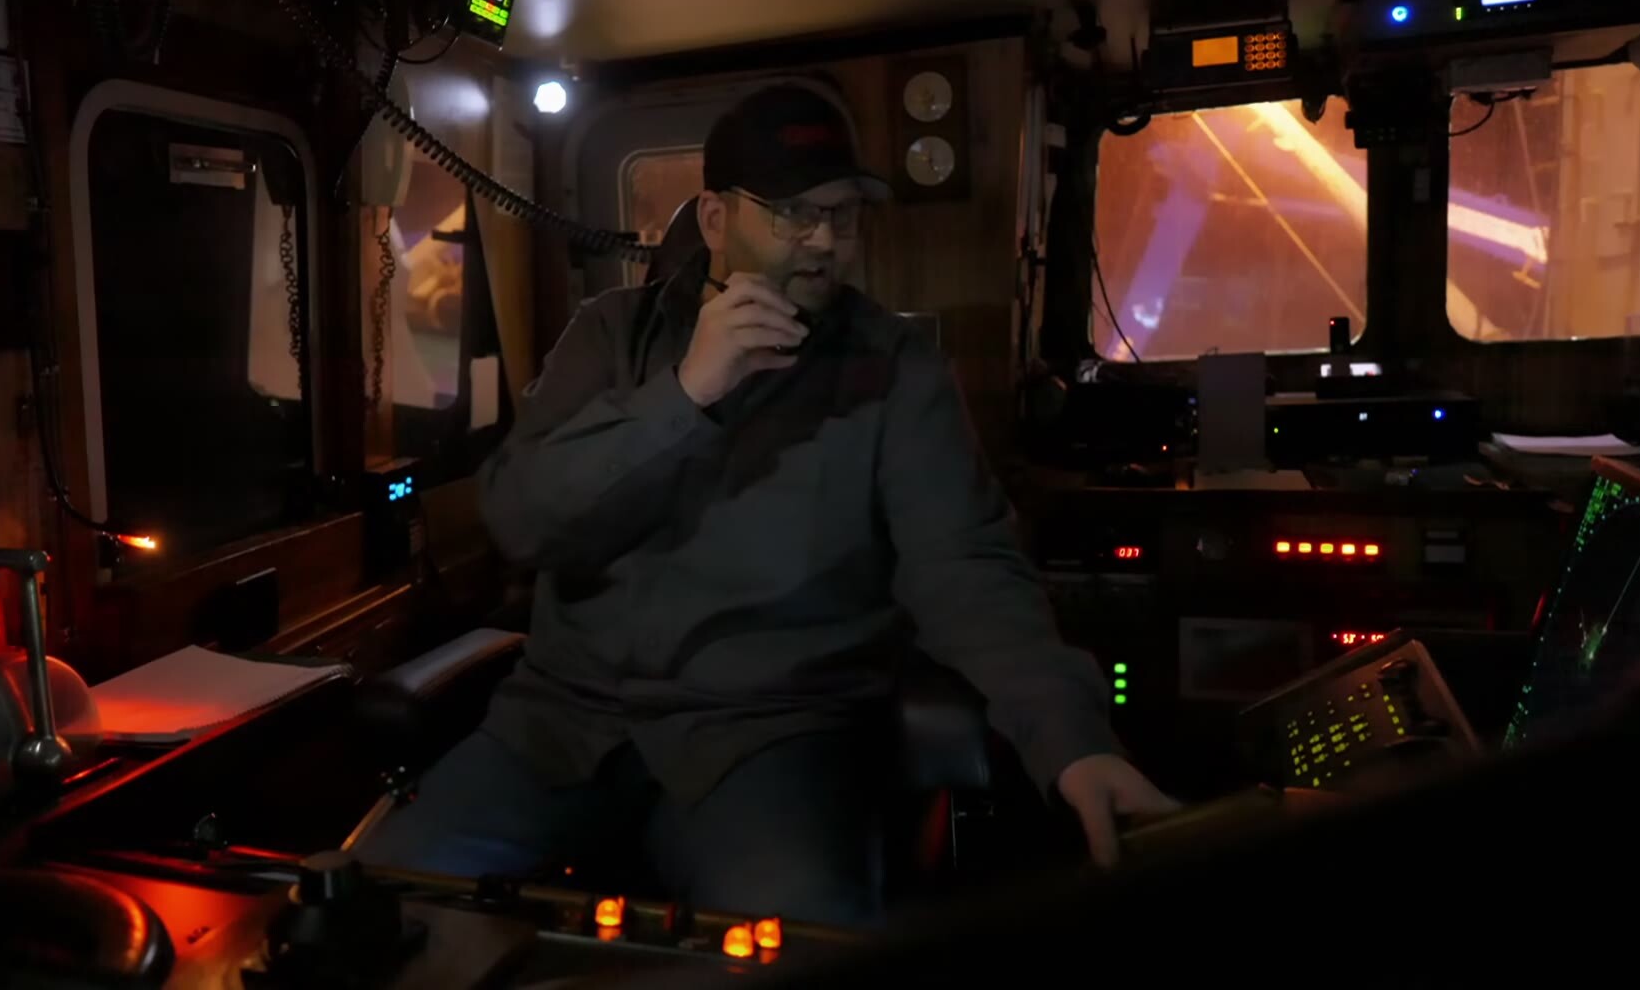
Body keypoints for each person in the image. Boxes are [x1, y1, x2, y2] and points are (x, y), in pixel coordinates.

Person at [357, 84, 1175, 924]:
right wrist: (686, 394)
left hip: (770, 738)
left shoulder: (894, 370)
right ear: (716, 220)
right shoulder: (610, 336)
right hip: (562, 726)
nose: (825, 240)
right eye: (792, 213)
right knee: (366, 912)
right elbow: (520, 518)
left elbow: (967, 572)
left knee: (801, 938)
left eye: (843, 214)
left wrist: (1072, 743)